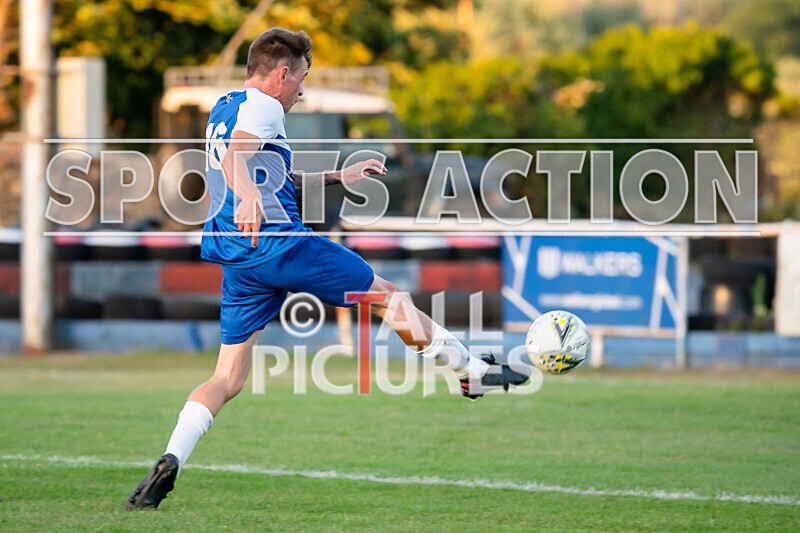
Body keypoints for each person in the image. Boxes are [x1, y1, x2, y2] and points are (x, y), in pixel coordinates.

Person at [125, 27, 529, 511]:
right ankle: (471, 371)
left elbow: (266, 173)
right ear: (281, 74)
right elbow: (239, 162)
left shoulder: (224, 106)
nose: (302, 91)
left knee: (228, 377)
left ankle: (171, 458)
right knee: (388, 298)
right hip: (279, 244)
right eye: (301, 79)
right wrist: (250, 194)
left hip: (236, 253)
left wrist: (338, 176)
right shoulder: (267, 106)